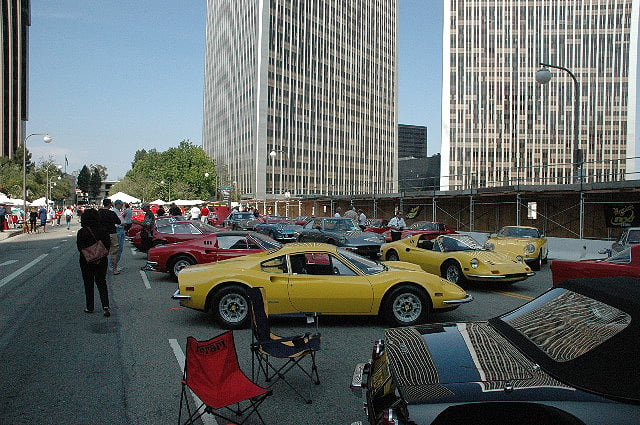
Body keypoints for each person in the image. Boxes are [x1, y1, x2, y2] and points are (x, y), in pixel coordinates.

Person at [76, 208, 111, 317]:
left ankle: (90, 306)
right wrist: (99, 256)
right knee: (101, 282)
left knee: (88, 283)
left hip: (86, 261)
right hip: (101, 260)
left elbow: (79, 247)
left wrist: (89, 256)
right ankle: (105, 306)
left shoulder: (82, 232)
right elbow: (107, 245)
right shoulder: (103, 229)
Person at [98, 199, 122, 275]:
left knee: (102, 252)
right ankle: (114, 269)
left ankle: (101, 270)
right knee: (114, 252)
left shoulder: (98, 213)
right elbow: (118, 222)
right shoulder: (111, 213)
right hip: (112, 233)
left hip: (102, 234)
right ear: (109, 205)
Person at [112, 200, 126, 272]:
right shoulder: (114, 212)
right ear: (117, 204)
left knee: (119, 248)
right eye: (121, 205)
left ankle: (115, 264)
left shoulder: (118, 212)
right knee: (117, 249)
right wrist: (121, 224)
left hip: (121, 230)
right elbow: (115, 223)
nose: (121, 206)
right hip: (118, 230)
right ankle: (113, 265)